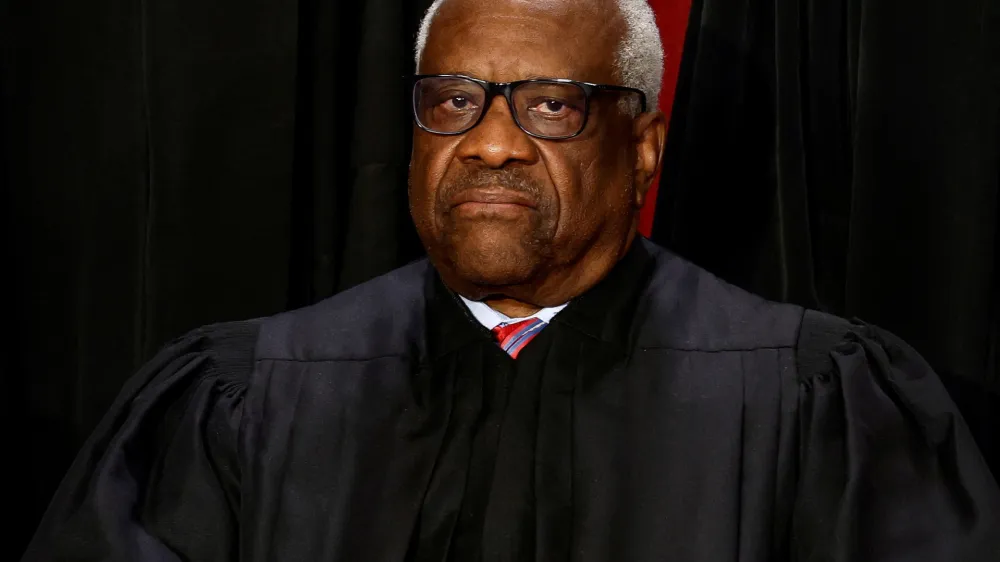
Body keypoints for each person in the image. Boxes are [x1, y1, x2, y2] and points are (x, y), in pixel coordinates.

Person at [22, 0, 1000, 560]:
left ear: (645, 146)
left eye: (549, 106)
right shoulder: (246, 398)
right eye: (451, 101)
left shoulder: (810, 400)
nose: (490, 143)